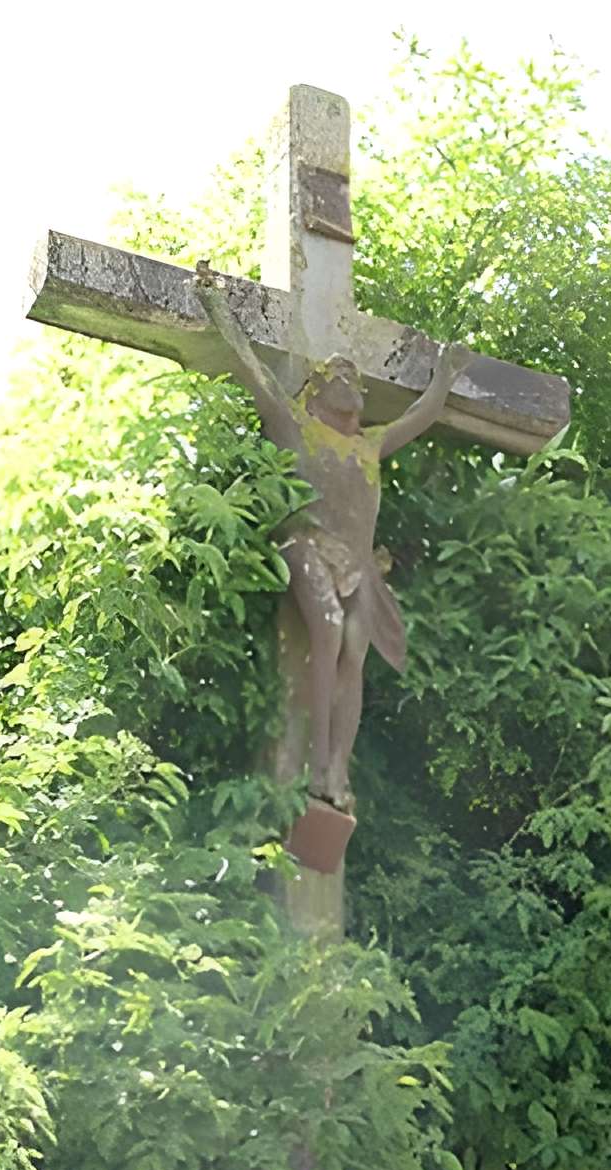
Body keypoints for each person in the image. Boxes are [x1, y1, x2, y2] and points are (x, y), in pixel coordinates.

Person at [194, 259, 469, 808]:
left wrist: (445, 371)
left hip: (360, 563)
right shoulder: (295, 427)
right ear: (314, 392)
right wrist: (216, 306)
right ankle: (315, 762)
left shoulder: (369, 444)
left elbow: (423, 412)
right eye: (339, 377)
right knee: (326, 626)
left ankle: (336, 770)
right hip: (307, 546)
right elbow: (255, 371)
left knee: (354, 654)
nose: (352, 385)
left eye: (356, 380)